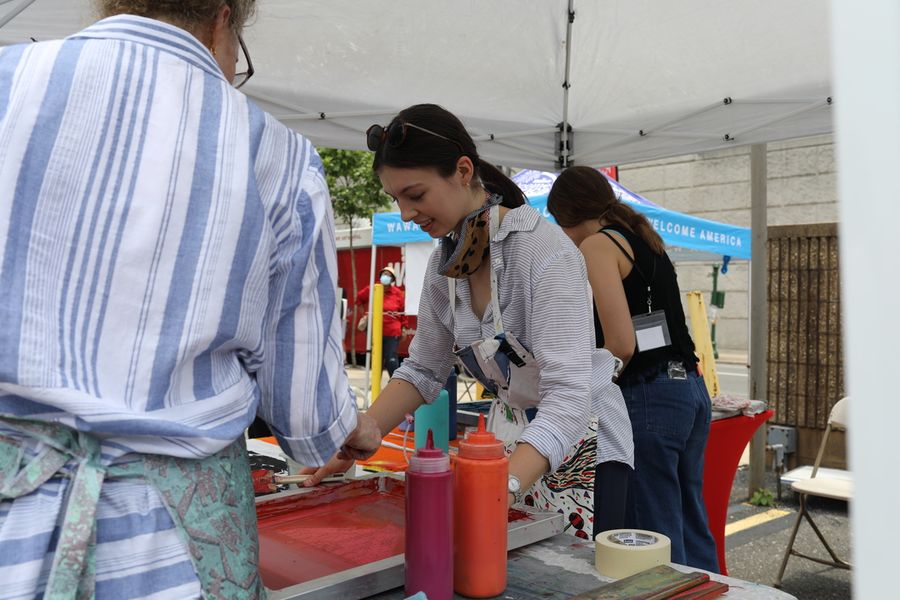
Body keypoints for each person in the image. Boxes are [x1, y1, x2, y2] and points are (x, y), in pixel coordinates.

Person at [0, 1, 380, 597]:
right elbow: (308, 416)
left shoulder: (9, 81)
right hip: (174, 545)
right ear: (223, 20)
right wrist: (347, 427)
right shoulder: (278, 157)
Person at [305, 104, 633, 539]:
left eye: (415, 195)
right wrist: (365, 432)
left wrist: (501, 485)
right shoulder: (448, 264)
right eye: (396, 199)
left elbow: (570, 399)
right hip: (512, 444)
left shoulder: (545, 252)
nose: (405, 213)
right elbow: (423, 369)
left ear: (463, 171)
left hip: (586, 450)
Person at [547, 166, 718, 570]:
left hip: (649, 395)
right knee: (691, 520)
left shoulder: (597, 245)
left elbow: (621, 344)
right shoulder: (642, 238)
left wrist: (583, 392)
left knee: (655, 533)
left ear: (567, 215)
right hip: (688, 388)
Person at [355, 266, 407, 377]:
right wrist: (365, 314)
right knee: (376, 359)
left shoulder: (397, 293)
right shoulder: (373, 289)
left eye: (388, 275)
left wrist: (404, 329)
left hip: (393, 332)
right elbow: (359, 298)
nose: (385, 277)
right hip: (376, 330)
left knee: (391, 359)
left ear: (392, 279)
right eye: (384, 274)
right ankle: (375, 386)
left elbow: (403, 311)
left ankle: (395, 383)